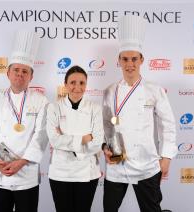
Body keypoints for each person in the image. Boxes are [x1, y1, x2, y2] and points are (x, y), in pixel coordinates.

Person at [102, 15, 178, 212]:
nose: (130, 64)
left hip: (147, 164)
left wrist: (167, 156)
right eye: (125, 59)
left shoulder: (154, 89)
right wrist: (105, 148)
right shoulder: (110, 90)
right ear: (118, 61)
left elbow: (168, 124)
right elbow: (106, 126)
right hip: (117, 165)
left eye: (134, 59)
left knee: (152, 209)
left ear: (142, 59)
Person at [0, 30, 48, 212]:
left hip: (26, 176)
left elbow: (41, 136)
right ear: (7, 73)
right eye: (16, 70)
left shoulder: (41, 101)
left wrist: (21, 162)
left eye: (25, 71)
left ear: (31, 76)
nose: (20, 74)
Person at [46, 65, 104, 212]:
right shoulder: (54, 108)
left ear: (86, 85)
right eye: (72, 82)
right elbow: (54, 140)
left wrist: (65, 139)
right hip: (60, 173)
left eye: (82, 83)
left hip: (87, 174)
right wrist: (85, 138)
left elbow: (97, 144)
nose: (77, 87)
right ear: (65, 84)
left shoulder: (94, 108)